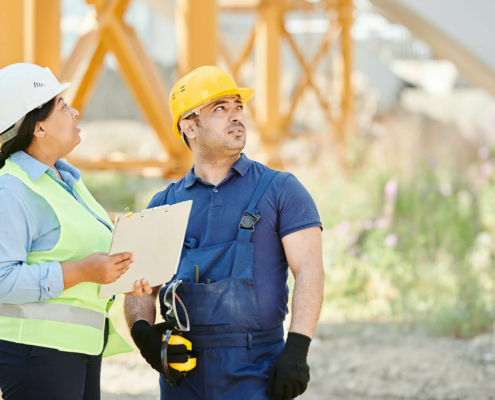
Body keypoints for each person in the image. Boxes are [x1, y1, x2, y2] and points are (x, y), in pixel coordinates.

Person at [124, 66, 325, 400]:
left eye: (238, 107)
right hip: (182, 370)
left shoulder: (281, 190)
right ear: (189, 126)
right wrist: (144, 335)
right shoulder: (163, 204)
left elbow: (309, 270)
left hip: (258, 368)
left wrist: (297, 350)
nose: (236, 117)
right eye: (220, 109)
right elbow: (138, 287)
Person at [0, 63, 153, 400]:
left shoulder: (67, 181)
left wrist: (123, 271)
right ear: (38, 127)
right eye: (63, 106)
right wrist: (82, 272)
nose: (75, 111)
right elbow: (2, 280)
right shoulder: (13, 189)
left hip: (78, 348)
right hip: (35, 352)